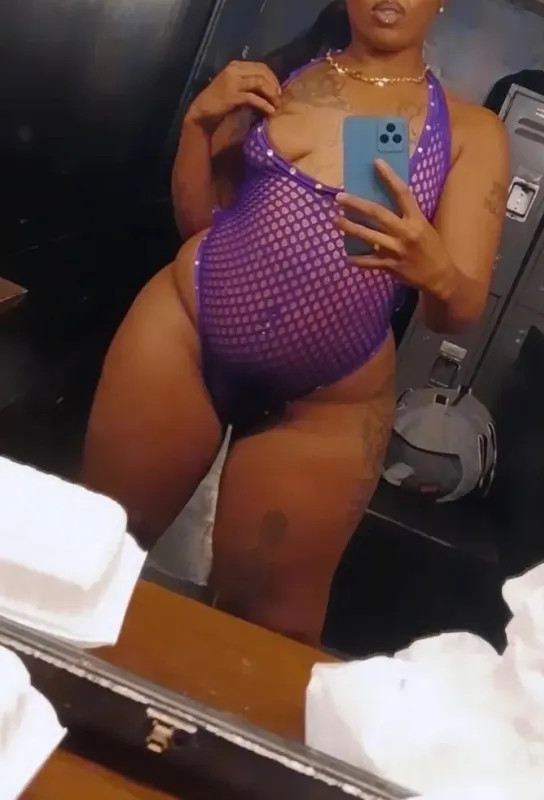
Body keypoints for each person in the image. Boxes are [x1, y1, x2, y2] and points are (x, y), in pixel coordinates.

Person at [83, 0, 509, 645]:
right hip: (184, 336)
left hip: (326, 401)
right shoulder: (278, 79)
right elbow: (199, 224)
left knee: (265, 630)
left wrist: (435, 269)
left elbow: (458, 313)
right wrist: (199, 124)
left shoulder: (471, 131)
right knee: (92, 544)